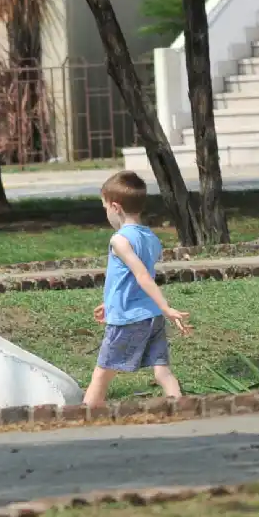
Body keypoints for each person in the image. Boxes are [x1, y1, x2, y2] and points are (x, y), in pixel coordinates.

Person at [84, 170, 193, 407]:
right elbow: (132, 279)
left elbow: (142, 276)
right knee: (162, 371)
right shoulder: (151, 237)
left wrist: (167, 307)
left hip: (128, 319)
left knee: (102, 374)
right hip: (151, 316)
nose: (106, 213)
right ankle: (181, 408)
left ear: (115, 207)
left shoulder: (119, 240)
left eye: (105, 208)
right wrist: (110, 302)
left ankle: (85, 416)